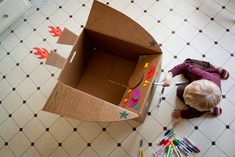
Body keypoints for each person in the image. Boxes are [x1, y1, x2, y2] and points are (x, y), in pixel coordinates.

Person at [162, 58, 229, 119]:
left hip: (212, 83)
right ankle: (218, 71)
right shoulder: (200, 74)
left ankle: (215, 105)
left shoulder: (200, 110)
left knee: (179, 90)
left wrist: (182, 114)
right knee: (187, 62)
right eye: (188, 87)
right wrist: (170, 75)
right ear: (195, 82)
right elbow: (184, 66)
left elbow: (195, 113)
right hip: (210, 72)